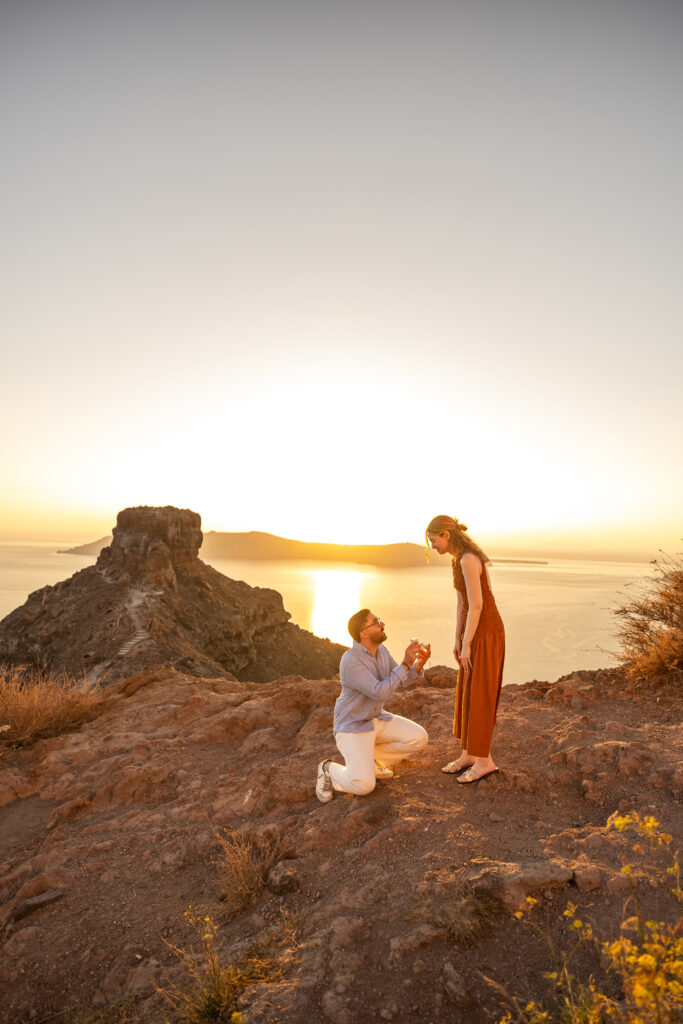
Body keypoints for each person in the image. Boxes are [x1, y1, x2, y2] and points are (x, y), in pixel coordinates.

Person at [315, 609, 430, 803]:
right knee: (364, 786)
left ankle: (370, 760)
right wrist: (405, 664)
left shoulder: (382, 651)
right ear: (364, 633)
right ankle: (328, 770)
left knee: (419, 738)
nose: (382, 624)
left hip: (375, 718)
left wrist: (416, 665)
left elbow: (401, 678)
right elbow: (379, 691)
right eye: (376, 622)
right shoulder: (351, 661)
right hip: (352, 726)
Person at [426, 514, 504, 784]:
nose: (432, 545)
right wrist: (458, 639)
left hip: (487, 632)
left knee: (480, 694)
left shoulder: (469, 559)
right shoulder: (456, 560)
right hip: (473, 631)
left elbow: (478, 605)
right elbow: (462, 604)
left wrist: (469, 643)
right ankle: (470, 754)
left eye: (433, 540)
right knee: (468, 691)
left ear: (446, 535)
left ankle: (485, 761)